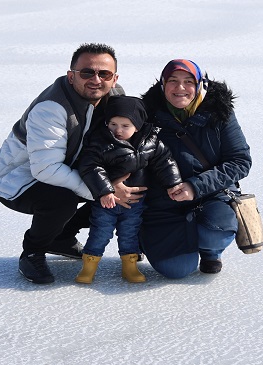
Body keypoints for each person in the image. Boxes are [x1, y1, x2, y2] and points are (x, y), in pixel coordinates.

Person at [0, 43, 132, 285]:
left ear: (114, 79)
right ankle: (33, 251)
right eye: (87, 73)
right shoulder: (51, 108)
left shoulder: (115, 99)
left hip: (69, 167)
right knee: (61, 199)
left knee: (128, 176)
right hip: (18, 180)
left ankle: (61, 238)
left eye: (104, 74)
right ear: (71, 76)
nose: (96, 79)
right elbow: (46, 169)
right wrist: (105, 191)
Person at [132, 59, 252, 279]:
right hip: (163, 200)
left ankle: (210, 252)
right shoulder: (145, 115)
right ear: (163, 84)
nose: (180, 88)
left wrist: (195, 186)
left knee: (216, 231)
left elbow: (240, 161)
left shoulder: (219, 113)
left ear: (199, 85)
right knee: (177, 270)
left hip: (211, 195)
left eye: (188, 81)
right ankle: (147, 238)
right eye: (173, 81)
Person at [74, 95, 185, 284]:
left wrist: (173, 183)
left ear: (138, 125)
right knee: (100, 232)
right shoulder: (100, 142)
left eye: (125, 126)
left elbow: (165, 162)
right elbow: (90, 167)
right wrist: (105, 190)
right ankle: (89, 266)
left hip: (135, 202)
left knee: (130, 233)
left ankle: (130, 266)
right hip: (107, 202)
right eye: (113, 124)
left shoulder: (150, 142)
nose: (118, 130)